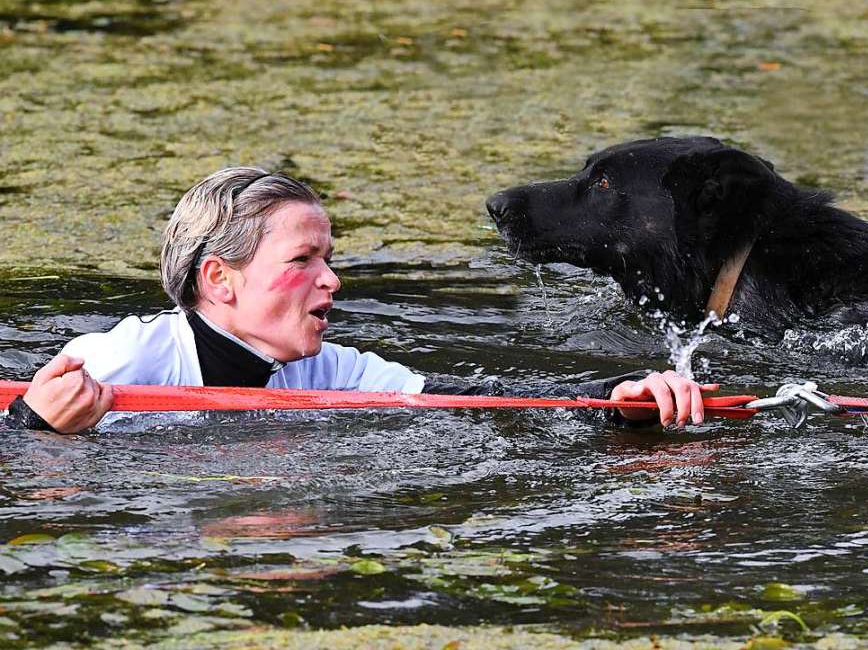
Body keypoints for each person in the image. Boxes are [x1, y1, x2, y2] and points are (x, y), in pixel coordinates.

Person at [6, 168, 717, 435]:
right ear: (219, 280)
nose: (333, 281)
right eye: (303, 260)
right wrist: (36, 430)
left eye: (331, 259)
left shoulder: (329, 370)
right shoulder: (124, 356)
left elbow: (477, 396)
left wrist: (612, 396)